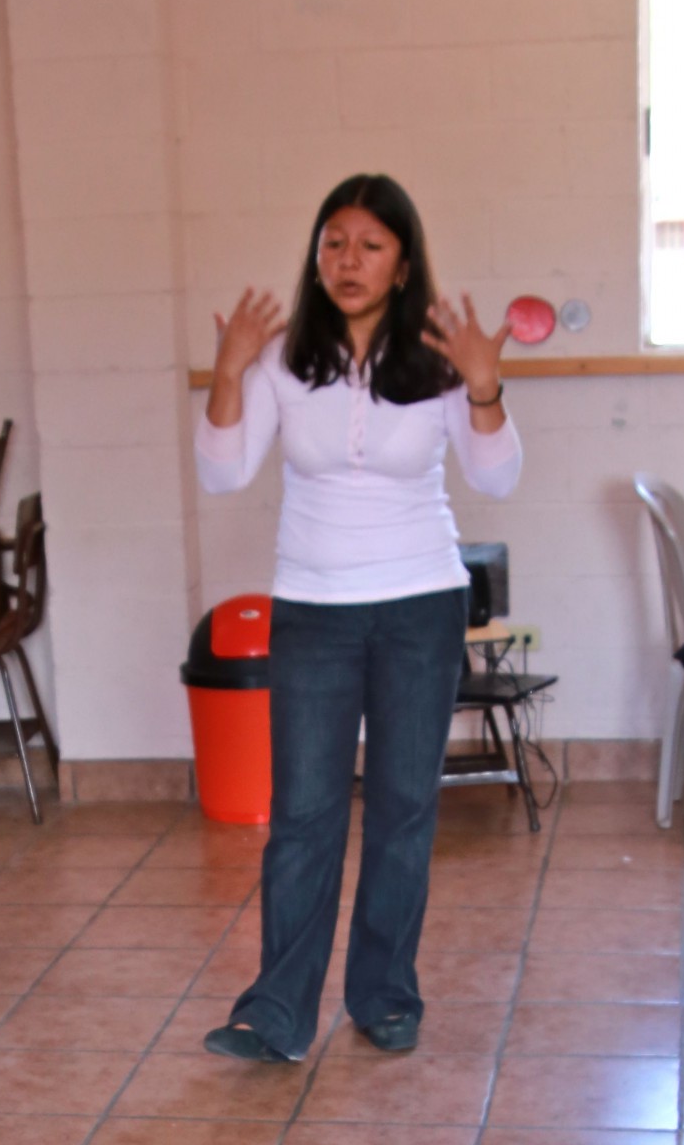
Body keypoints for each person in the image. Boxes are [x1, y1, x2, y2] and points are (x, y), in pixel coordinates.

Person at [196, 172, 521, 1063]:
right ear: (316, 258)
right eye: (333, 243)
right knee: (303, 814)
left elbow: (496, 478)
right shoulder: (281, 358)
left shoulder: (440, 356)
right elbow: (223, 472)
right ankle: (276, 1012)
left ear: (402, 264)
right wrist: (228, 372)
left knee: (403, 809)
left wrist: (484, 388)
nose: (348, 260)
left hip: (420, 604)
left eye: (370, 246)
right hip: (314, 610)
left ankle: (384, 995)